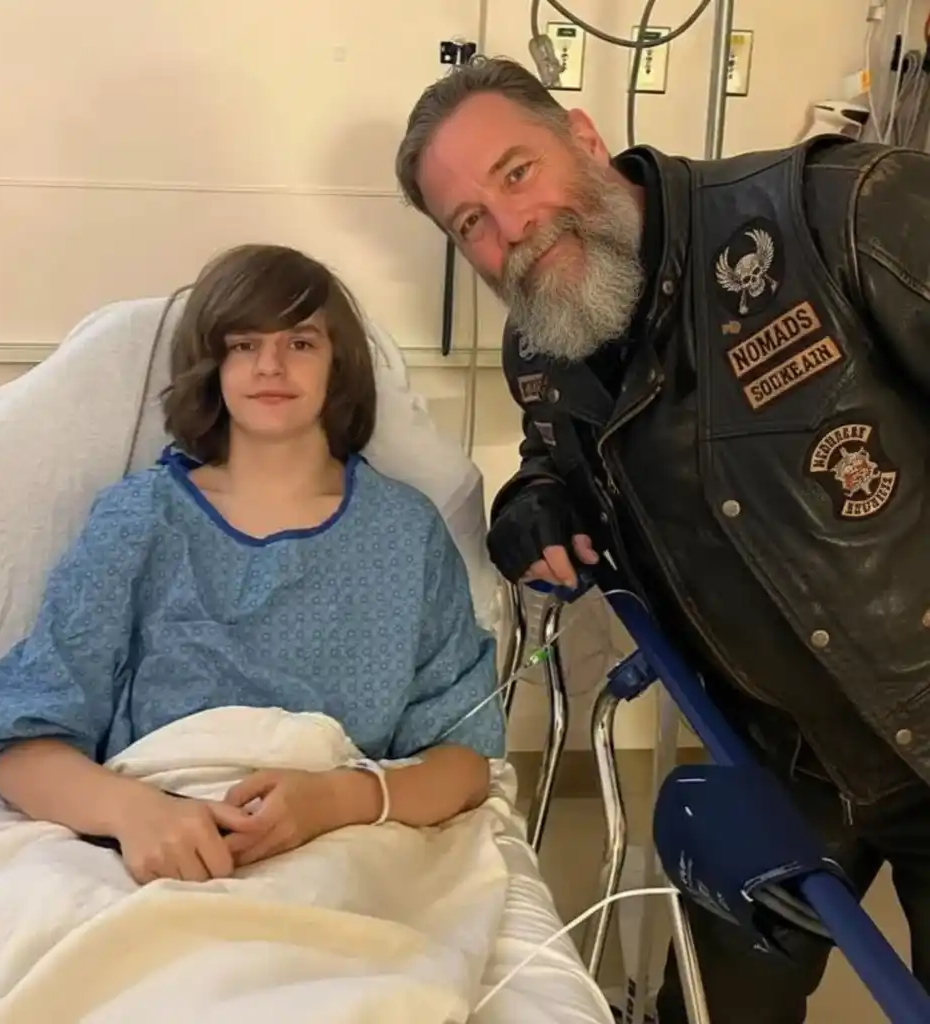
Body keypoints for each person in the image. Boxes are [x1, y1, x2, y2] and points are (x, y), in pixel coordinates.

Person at [394, 55, 930, 1023]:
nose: (511, 228)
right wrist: (535, 498)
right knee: (710, 1004)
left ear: (584, 137)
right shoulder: (543, 339)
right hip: (780, 751)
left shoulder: (835, 212)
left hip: (918, 719)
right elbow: (557, 450)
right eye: (469, 221)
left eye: (517, 172)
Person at [0, 243, 505, 887]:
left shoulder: (404, 534)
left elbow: (464, 759)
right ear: (211, 365)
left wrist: (336, 800)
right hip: (148, 848)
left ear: (340, 365)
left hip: (342, 846)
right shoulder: (139, 521)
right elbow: (22, 750)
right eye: (244, 344)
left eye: (300, 343)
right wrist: (136, 814)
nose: (270, 365)